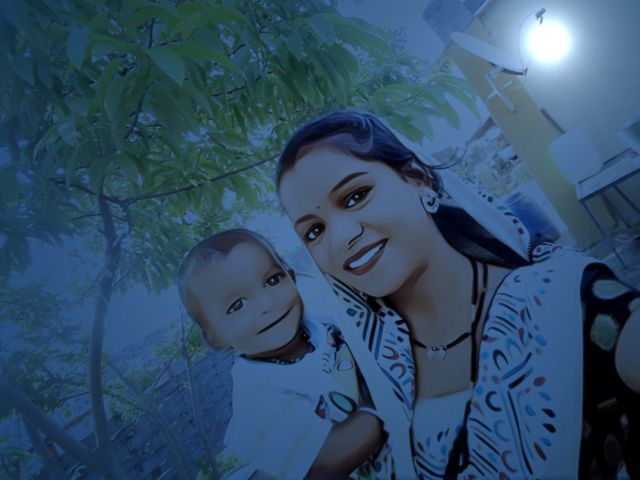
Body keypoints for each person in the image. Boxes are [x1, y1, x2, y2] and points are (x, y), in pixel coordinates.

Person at [276, 111, 640, 479]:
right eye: (314, 231)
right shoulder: (368, 372)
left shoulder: (567, 301)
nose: (340, 238)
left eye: (355, 196)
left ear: (417, 179)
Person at [177, 228, 393, 479]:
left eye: (272, 280)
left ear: (290, 275)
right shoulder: (258, 401)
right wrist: (378, 409)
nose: (267, 304)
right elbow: (326, 459)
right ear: (215, 337)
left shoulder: (324, 326)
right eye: (237, 305)